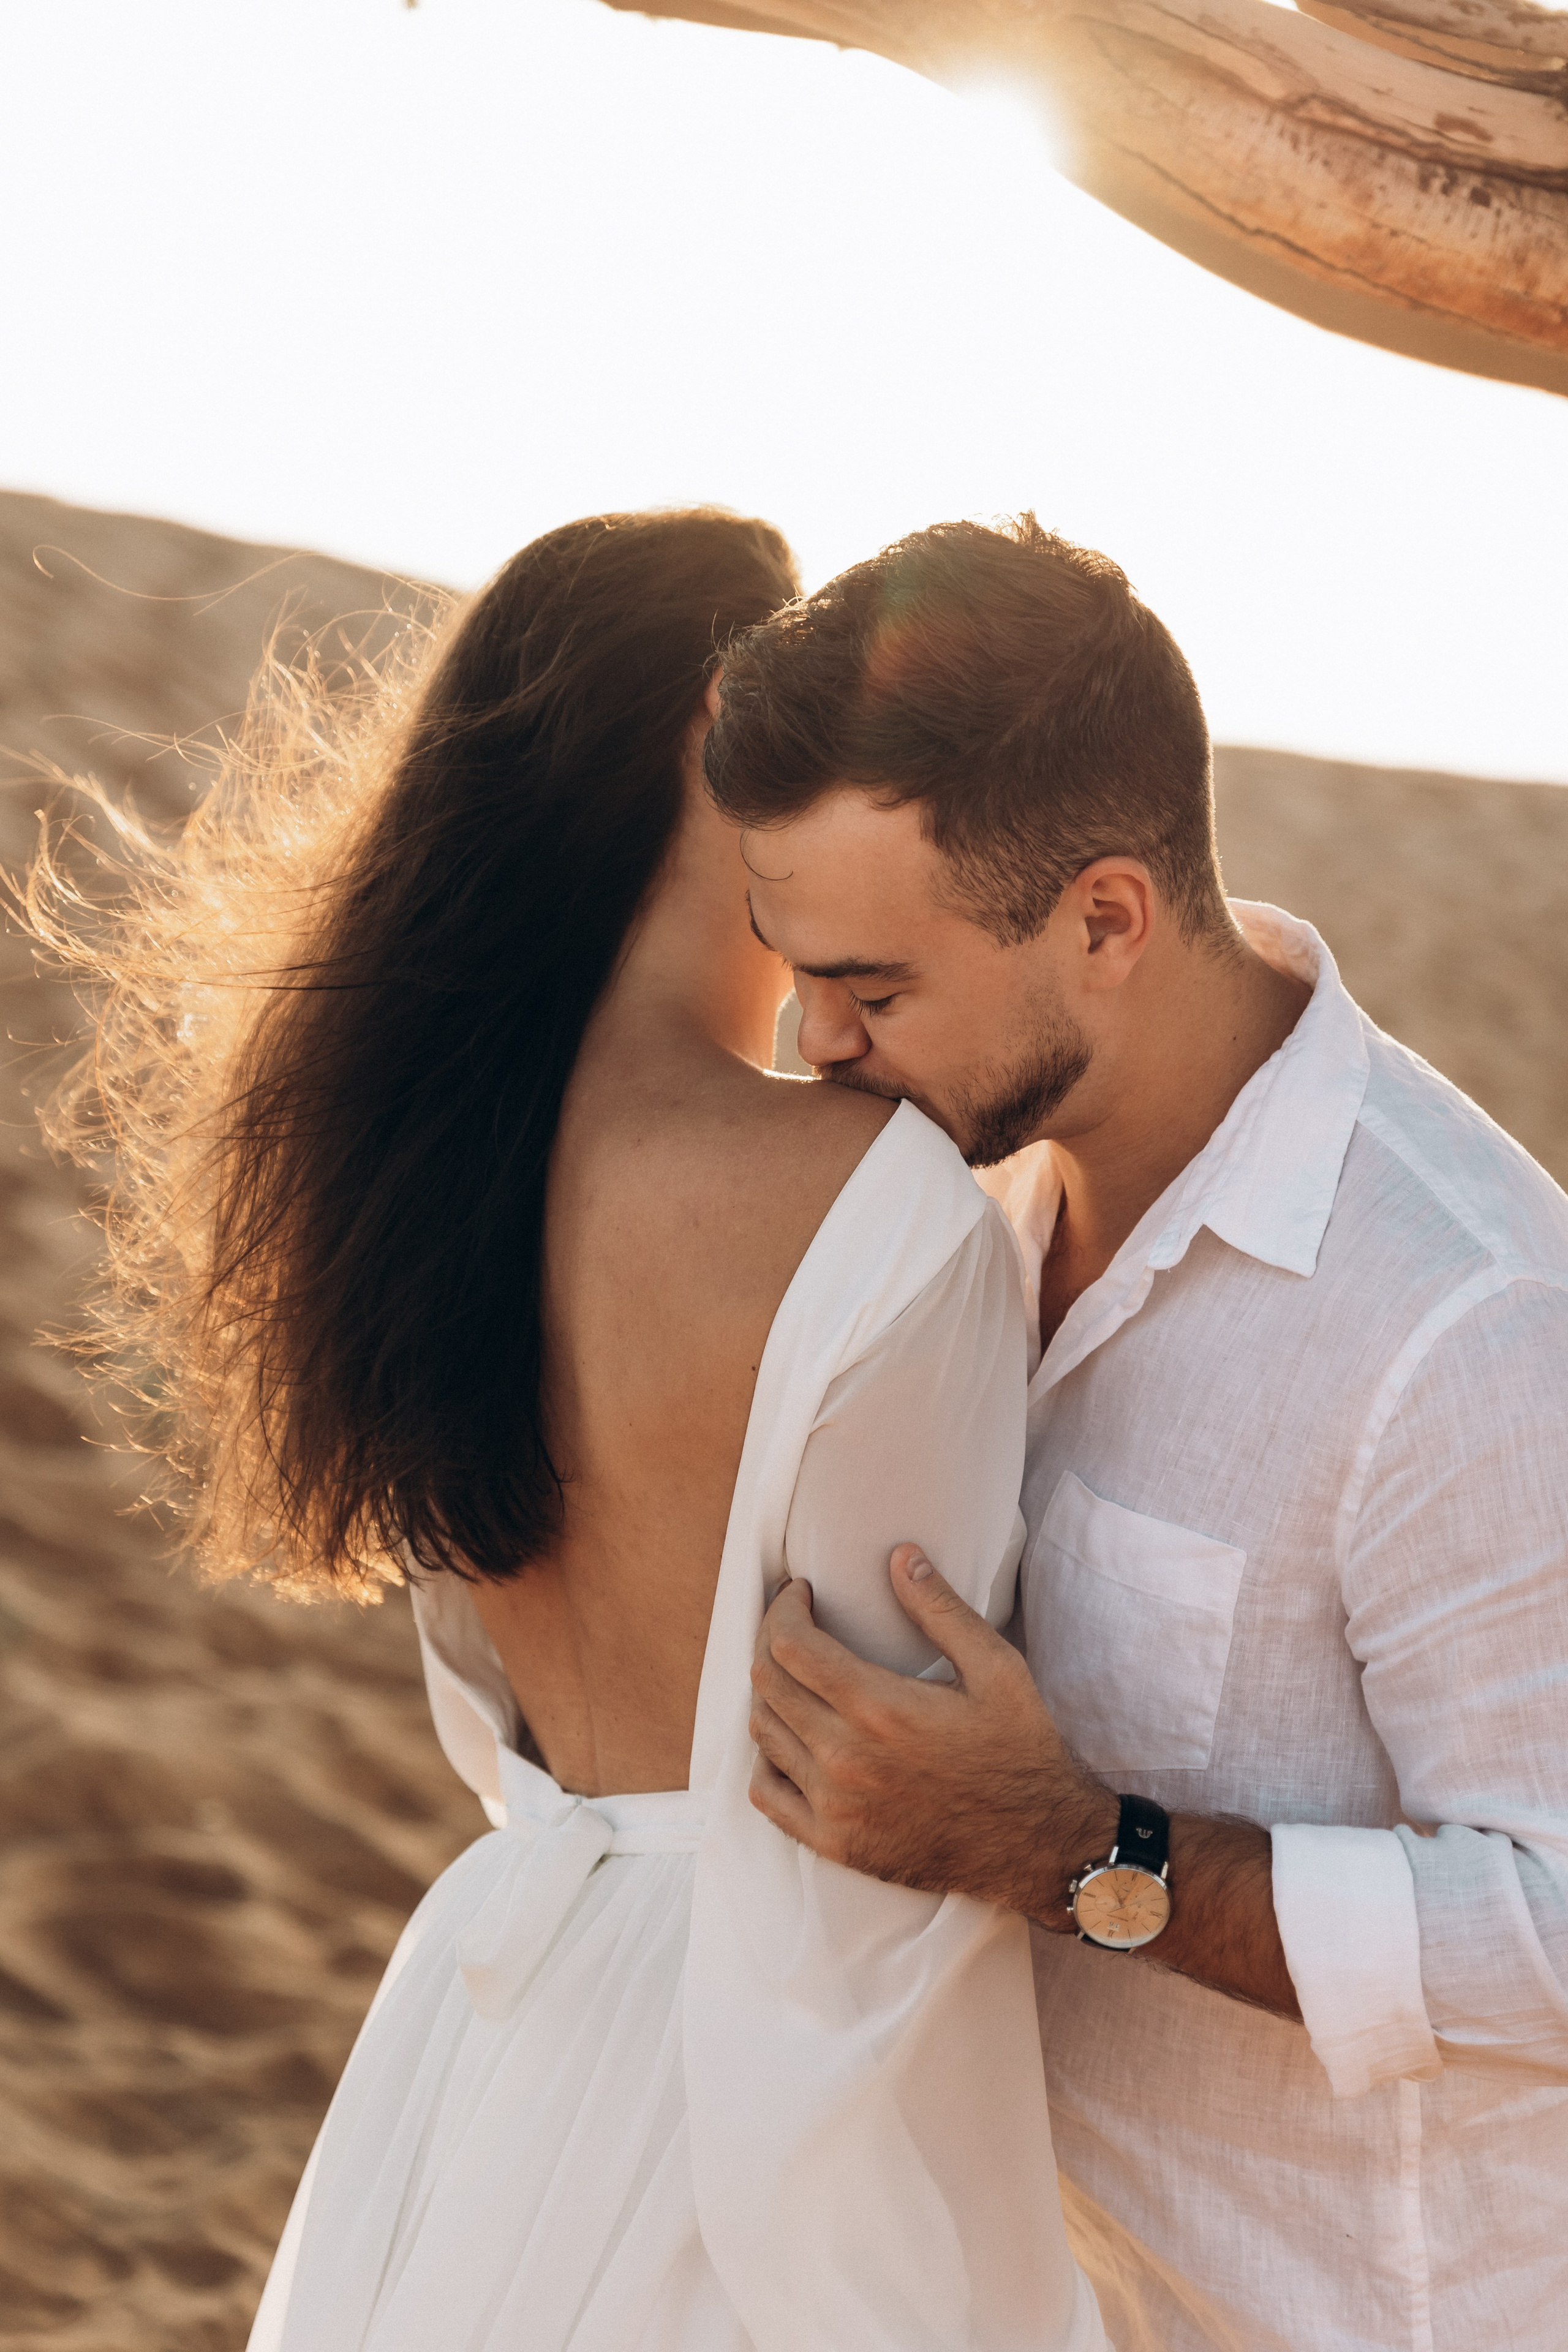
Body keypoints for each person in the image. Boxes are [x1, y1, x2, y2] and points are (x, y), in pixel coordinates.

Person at [32, 509, 1106, 2352]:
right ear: (716, 733)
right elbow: (880, 1780)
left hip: (499, 2041)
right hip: (767, 2092)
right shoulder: (875, 1203)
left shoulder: (411, 1195)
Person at [706, 514, 1568, 2352]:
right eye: (795, 966)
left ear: (1106, 919)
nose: (810, 1038)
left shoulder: (1465, 1322)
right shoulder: (964, 1205)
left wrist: (1076, 1852)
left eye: (875, 987)